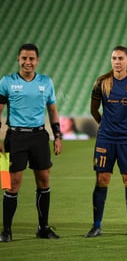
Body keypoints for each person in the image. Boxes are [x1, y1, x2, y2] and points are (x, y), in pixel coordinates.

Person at [0, 43, 62, 242]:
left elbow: (52, 110)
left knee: (44, 181)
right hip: (15, 137)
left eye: (31, 59)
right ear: (18, 59)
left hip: (39, 137)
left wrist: (57, 136)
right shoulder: (6, 82)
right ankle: (6, 231)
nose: (28, 62)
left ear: (37, 60)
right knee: (11, 184)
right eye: (24, 58)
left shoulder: (46, 82)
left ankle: (43, 228)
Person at [85, 46, 127, 238]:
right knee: (102, 179)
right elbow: (94, 110)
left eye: (121, 58)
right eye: (114, 58)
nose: (117, 61)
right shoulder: (101, 83)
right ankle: (96, 226)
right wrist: (104, 126)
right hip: (106, 138)